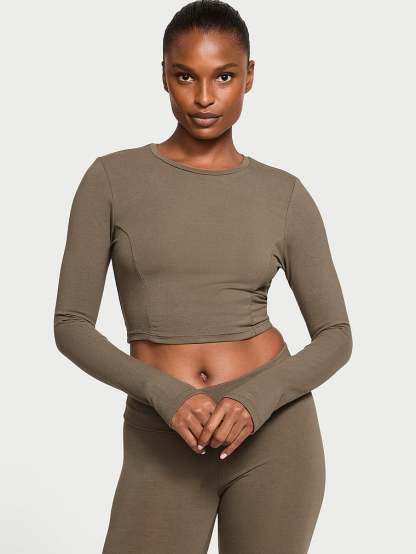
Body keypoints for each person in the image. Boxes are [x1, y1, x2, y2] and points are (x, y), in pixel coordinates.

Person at [53, 1, 353, 552]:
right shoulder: (111, 180)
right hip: (161, 434)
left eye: (225, 76)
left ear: (250, 76)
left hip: (273, 435)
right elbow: (70, 324)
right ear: (164, 76)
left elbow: (336, 335)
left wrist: (256, 401)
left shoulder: (284, 195)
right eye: (186, 76)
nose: (205, 97)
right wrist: (162, 394)